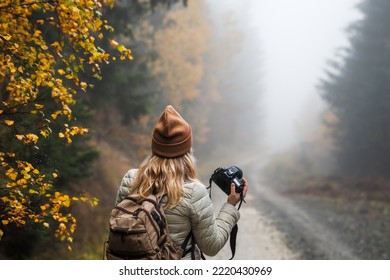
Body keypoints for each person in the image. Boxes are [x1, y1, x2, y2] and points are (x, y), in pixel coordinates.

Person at [114, 105, 249, 260]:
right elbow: (211, 246)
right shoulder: (193, 192)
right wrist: (231, 206)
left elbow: (117, 224)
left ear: (155, 147)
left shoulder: (131, 179)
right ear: (187, 152)